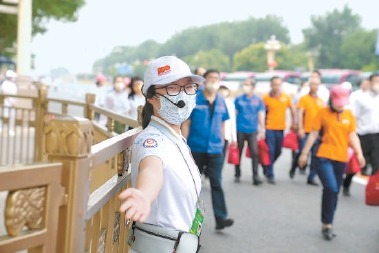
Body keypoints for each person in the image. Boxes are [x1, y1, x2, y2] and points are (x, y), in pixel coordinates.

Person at [118, 56, 205, 253]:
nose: (182, 95)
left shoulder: (177, 138)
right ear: (151, 97)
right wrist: (143, 195)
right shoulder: (152, 140)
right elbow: (152, 170)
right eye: (172, 88)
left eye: (189, 87)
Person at [298, 85, 365, 241]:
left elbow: (353, 135)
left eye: (343, 101)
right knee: (331, 187)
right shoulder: (322, 113)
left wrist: (359, 153)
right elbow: (314, 134)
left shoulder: (349, 115)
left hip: (341, 158)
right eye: (338, 101)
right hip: (323, 156)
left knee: (333, 191)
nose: (340, 104)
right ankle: (327, 222)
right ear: (331, 100)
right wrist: (304, 153)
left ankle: (328, 223)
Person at [182, 69, 234, 230]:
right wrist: (184, 145)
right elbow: (187, 123)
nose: (213, 80)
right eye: (210, 78)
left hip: (215, 149)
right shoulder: (194, 99)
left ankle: (221, 218)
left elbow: (223, 123)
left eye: (216, 78)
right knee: (193, 186)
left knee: (216, 183)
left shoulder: (221, 101)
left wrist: (223, 144)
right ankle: (187, 222)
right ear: (205, 81)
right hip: (196, 147)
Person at [342, 74, 379, 195]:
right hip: (363, 135)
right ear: (370, 82)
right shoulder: (361, 98)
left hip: (377, 135)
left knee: (376, 165)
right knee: (358, 163)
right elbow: (354, 117)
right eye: (375, 81)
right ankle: (346, 183)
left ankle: (373, 191)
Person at [290, 70, 325, 185]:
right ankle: (294, 167)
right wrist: (300, 128)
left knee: (315, 155)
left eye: (317, 85)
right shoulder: (304, 98)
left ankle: (311, 177)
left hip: (317, 132)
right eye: (313, 84)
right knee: (302, 152)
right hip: (306, 130)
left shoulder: (320, 101)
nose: (315, 86)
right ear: (309, 85)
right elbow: (300, 114)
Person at [262, 76, 296, 184]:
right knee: (271, 151)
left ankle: (267, 165)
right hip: (269, 128)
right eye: (275, 84)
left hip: (281, 128)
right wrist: (262, 128)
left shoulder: (285, 97)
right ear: (271, 85)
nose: (277, 87)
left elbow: (292, 109)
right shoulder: (266, 98)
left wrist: (293, 123)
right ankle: (270, 174)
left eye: (279, 84)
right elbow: (262, 113)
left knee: (278, 151)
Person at [233, 78, 265, 185]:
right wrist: (232, 131)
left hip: (252, 131)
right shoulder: (238, 99)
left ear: (253, 87)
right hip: (240, 130)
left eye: (247, 85)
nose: (245, 86)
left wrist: (262, 129)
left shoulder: (258, 100)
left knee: (255, 153)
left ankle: (255, 175)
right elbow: (234, 114)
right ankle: (237, 172)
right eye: (244, 84)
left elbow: (261, 115)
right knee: (239, 151)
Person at [217, 83, 237, 162]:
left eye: (225, 90)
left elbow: (233, 122)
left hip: (226, 135)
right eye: (221, 90)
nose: (223, 92)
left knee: (222, 157)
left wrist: (234, 138)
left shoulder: (230, 105)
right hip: (215, 134)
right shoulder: (213, 102)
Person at [0, 70, 18, 136]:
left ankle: (11, 129)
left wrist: (15, 101)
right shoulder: (5, 83)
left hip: (13, 103)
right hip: (7, 102)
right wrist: (11, 101)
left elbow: (16, 94)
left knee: (12, 116)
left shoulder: (14, 84)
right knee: (5, 116)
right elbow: (4, 93)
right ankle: (1, 126)